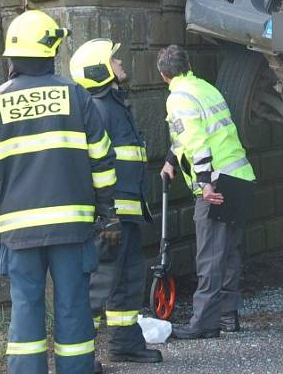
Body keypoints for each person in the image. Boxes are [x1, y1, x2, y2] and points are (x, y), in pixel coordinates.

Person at [0, 10, 116, 374]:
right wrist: (106, 212)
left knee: (26, 310)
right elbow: (102, 159)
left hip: (17, 233)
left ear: (12, 58)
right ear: (51, 51)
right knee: (73, 307)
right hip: (73, 226)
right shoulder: (76, 96)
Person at [69, 38, 163, 364]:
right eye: (114, 60)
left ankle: (125, 343)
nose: (120, 64)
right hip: (111, 215)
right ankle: (81, 357)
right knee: (99, 285)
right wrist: (103, 214)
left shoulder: (114, 105)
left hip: (128, 213)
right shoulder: (96, 110)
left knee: (127, 280)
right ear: (100, 71)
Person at [156, 44, 256, 339]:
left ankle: (204, 323)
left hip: (217, 180)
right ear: (187, 65)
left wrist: (204, 183)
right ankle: (227, 315)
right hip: (240, 176)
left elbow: (196, 140)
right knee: (228, 252)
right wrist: (171, 160)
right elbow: (191, 133)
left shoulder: (177, 98)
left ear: (163, 75)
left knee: (210, 255)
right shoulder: (205, 88)